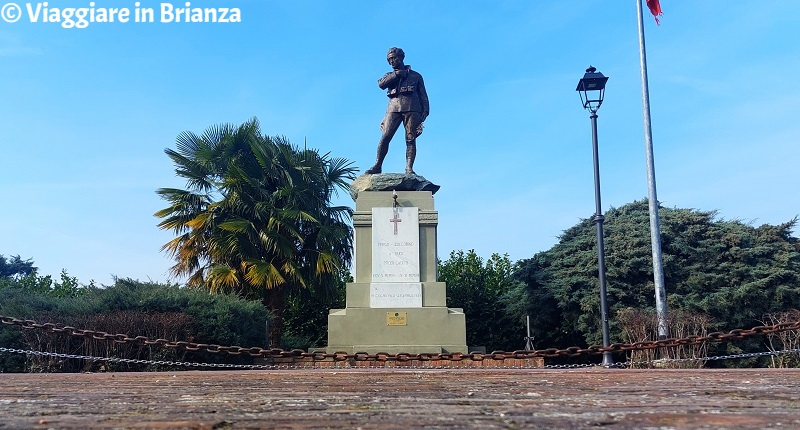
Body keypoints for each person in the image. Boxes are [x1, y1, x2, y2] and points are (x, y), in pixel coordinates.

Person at [365, 47, 429, 175]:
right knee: (385, 137)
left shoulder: (416, 76)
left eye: (394, 58)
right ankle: (378, 165)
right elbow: (381, 84)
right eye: (389, 60)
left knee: (410, 139)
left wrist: (425, 111)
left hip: (412, 108)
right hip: (393, 108)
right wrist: (396, 75)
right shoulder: (389, 76)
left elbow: (423, 95)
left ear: (401, 57)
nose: (391, 61)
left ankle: (409, 168)